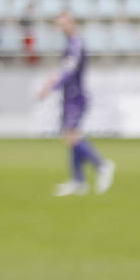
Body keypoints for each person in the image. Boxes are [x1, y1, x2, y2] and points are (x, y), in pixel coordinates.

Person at [37, 11, 115, 197]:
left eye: (63, 24)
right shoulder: (70, 45)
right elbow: (65, 70)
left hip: (76, 96)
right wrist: (53, 80)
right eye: (59, 25)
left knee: (71, 137)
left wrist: (51, 86)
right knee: (70, 137)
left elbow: (69, 72)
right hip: (69, 96)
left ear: (72, 24)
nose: (61, 28)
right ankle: (78, 181)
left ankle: (101, 165)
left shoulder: (76, 44)